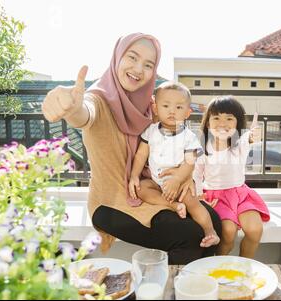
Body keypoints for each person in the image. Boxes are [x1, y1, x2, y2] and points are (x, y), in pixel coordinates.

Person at [41, 33, 221, 264]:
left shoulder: (150, 106)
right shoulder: (99, 99)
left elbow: (172, 147)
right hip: (111, 202)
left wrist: (182, 175)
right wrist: (71, 109)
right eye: (132, 57)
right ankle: (169, 294)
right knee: (189, 235)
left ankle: (195, 289)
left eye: (148, 65)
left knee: (214, 220)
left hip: (151, 188)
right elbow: (85, 114)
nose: (138, 69)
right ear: (117, 57)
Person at [129, 81, 220, 248]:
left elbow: (189, 162)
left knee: (193, 204)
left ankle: (210, 232)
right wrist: (134, 175)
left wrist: (177, 180)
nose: (172, 111)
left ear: (187, 113)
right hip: (157, 181)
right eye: (165, 105)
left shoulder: (189, 137)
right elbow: (141, 154)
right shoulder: (150, 131)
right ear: (156, 109)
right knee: (141, 188)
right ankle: (173, 205)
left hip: (180, 183)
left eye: (178, 107)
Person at [193, 96, 270, 258]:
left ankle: (244, 266)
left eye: (229, 118)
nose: (222, 123)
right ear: (208, 123)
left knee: (255, 230)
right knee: (228, 233)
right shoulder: (202, 146)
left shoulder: (239, 142)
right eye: (216, 118)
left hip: (240, 195)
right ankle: (219, 266)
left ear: (237, 123)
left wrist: (254, 135)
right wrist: (199, 196)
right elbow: (197, 174)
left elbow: (249, 138)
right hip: (215, 196)